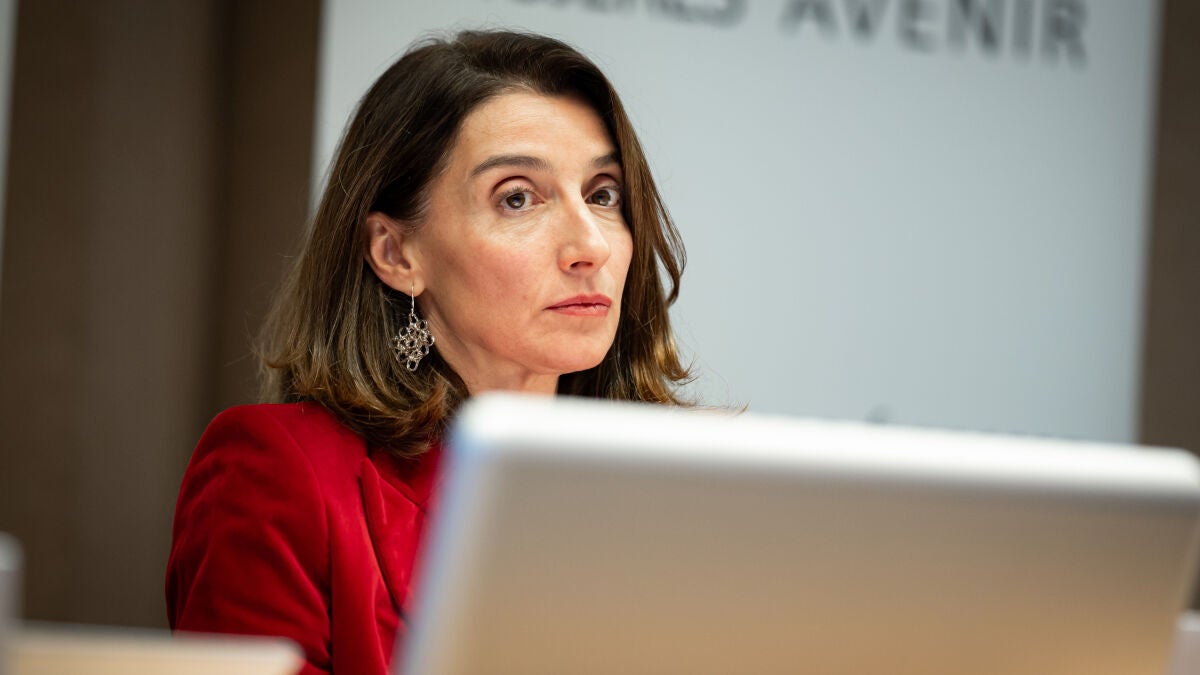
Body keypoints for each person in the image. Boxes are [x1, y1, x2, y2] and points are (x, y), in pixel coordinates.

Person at [165, 29, 692, 675]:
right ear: (396, 253)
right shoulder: (278, 471)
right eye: (518, 198)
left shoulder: (670, 497)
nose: (591, 246)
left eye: (603, 194)